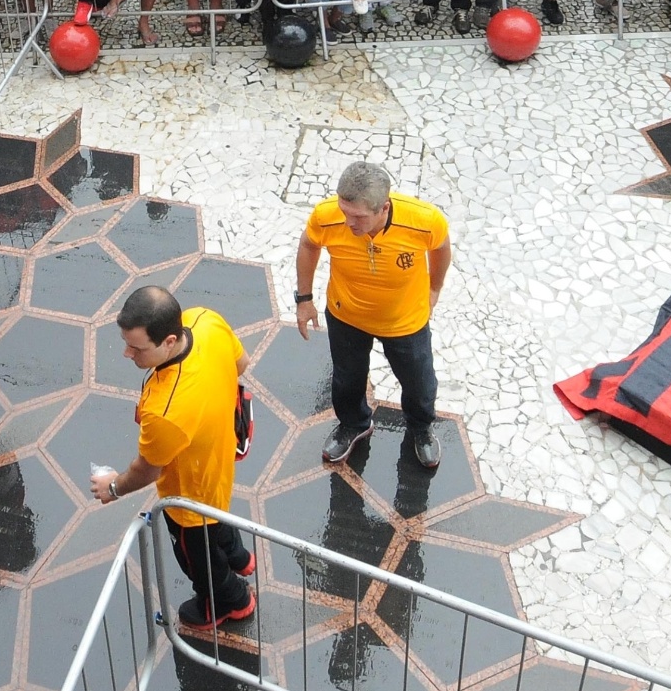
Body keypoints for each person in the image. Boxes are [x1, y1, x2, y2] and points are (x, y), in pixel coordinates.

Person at [92, 286, 256, 631]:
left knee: (197, 554)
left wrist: (113, 488)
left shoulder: (166, 409)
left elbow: (148, 469)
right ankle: (240, 559)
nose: (126, 354)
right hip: (219, 459)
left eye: (137, 348)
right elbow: (241, 364)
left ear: (168, 340)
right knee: (220, 515)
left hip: (189, 497)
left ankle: (230, 601)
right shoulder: (205, 320)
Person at [296, 161, 451, 469]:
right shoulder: (326, 216)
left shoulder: (424, 220)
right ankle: (354, 424)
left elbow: (441, 247)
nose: (349, 222)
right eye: (344, 211)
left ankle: (420, 429)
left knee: (419, 383)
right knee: (347, 378)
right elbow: (309, 244)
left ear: (384, 208)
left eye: (358, 217)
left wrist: (434, 289)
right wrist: (304, 299)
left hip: (405, 321)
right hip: (346, 315)